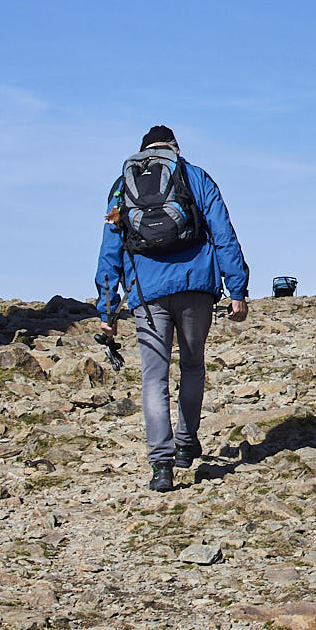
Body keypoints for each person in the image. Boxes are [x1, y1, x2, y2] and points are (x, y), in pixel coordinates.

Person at [95, 126, 251, 492]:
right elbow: (224, 233)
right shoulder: (195, 177)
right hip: (196, 287)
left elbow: (109, 250)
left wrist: (107, 312)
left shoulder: (122, 186)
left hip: (146, 294)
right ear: (175, 148)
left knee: (154, 377)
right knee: (193, 365)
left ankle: (161, 465)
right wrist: (237, 289)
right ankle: (185, 442)